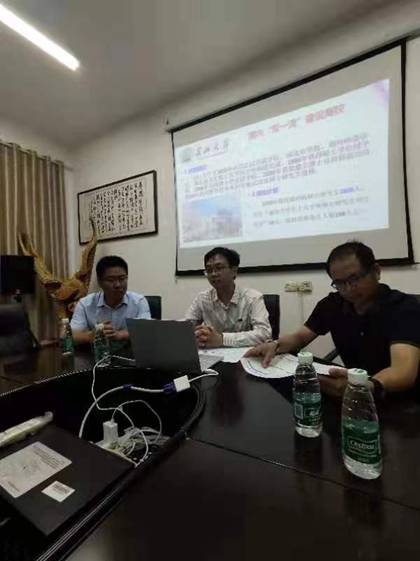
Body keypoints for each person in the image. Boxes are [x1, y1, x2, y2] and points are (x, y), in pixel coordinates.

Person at [245, 241, 420, 398]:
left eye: (355, 279)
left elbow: (402, 371)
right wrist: (275, 345)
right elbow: (300, 337)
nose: (349, 289)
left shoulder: (404, 307)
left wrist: (365, 386)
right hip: (351, 394)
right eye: (340, 283)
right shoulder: (332, 304)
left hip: (398, 399)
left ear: (376, 271)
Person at [184, 247, 272, 347]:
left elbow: (264, 334)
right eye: (209, 270)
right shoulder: (202, 298)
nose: (213, 274)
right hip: (211, 354)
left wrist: (222, 339)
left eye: (219, 268)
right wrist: (196, 334)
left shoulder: (253, 298)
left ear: (234, 271)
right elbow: (186, 326)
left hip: (244, 354)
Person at [71, 255, 151, 345]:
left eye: (122, 278)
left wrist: (120, 335)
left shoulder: (139, 301)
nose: (117, 285)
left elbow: (147, 331)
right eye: (111, 280)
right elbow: (72, 335)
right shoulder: (85, 304)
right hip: (97, 352)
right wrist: (90, 336)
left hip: (131, 352)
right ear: (99, 282)